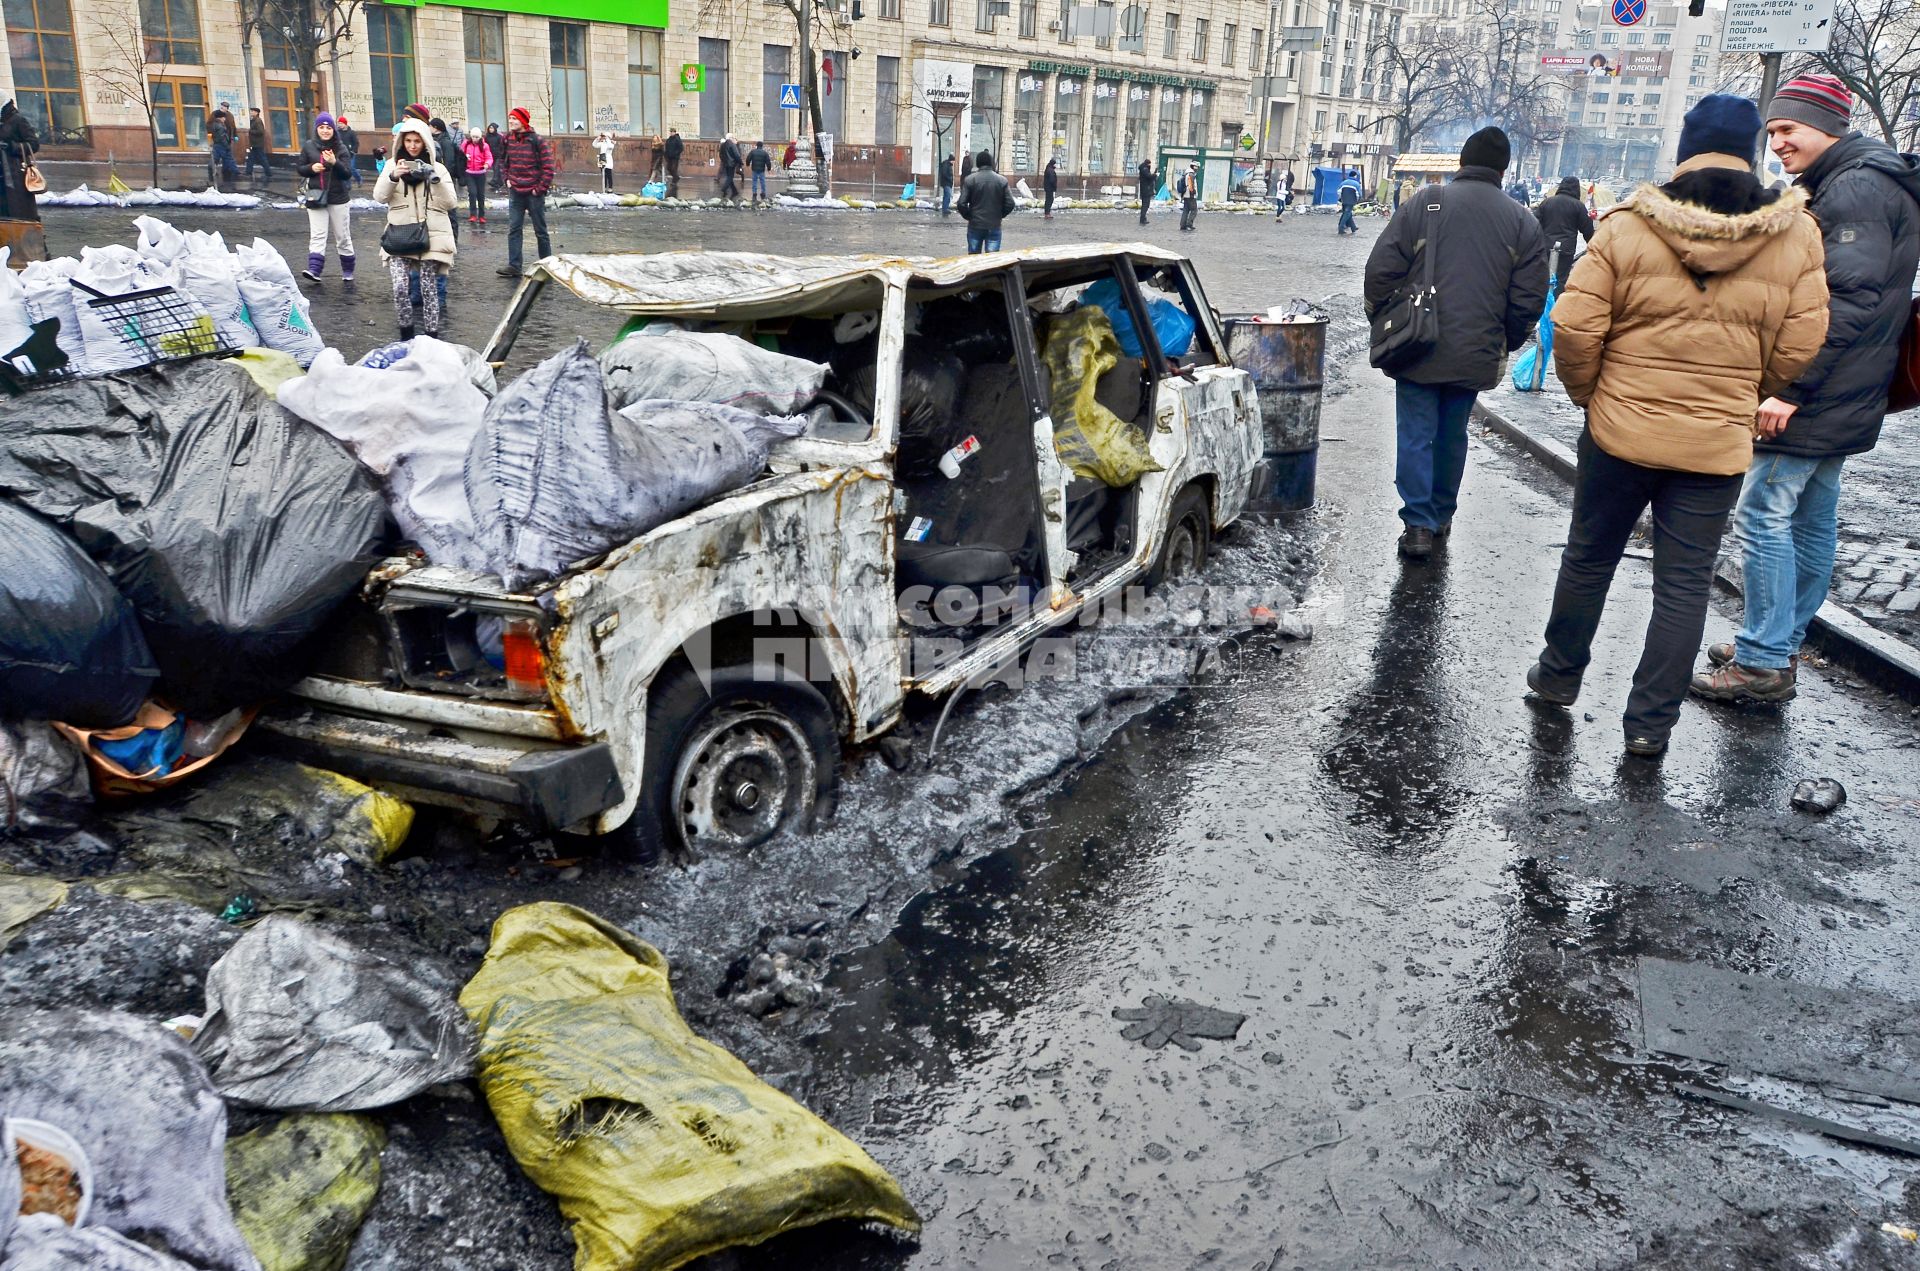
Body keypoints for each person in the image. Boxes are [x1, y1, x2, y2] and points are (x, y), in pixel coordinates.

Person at [1528, 94, 1830, 758]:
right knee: (1684, 582)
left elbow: (1576, 326)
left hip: (1617, 431)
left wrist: (1591, 395)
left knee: (1588, 557)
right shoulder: (1795, 233)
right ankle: (1648, 724)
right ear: (1752, 149)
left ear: (1686, 146)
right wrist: (1750, 389)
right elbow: (1803, 341)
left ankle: (1557, 677)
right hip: (1716, 443)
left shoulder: (1630, 224)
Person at [1691, 73, 1920, 705]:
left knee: (1765, 515)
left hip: (1819, 391)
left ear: (1828, 126)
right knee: (1812, 519)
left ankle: (1763, 659)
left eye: (1789, 129)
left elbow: (1846, 299)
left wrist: (1789, 387)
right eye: (1772, 132)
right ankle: (1779, 640)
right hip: (1849, 389)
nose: (1779, 144)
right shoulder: (1859, 182)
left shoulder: (1856, 189)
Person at [1363, 126, 1548, 560]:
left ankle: (1418, 524)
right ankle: (1442, 513)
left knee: (1416, 433)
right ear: (1503, 170)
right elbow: (1528, 299)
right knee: (1452, 433)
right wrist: (1505, 338)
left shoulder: (1424, 203)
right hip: (1477, 349)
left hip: (1416, 344)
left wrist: (1385, 318)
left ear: (1461, 162)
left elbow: (1379, 272)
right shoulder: (1523, 221)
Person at [374, 119, 457, 341]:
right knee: (400, 287)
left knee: (429, 290)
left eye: (417, 141)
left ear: (425, 143)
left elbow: (451, 203)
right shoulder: (393, 165)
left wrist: (434, 178)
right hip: (399, 235)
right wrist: (393, 177)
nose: (412, 146)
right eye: (408, 141)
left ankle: (431, 339)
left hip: (429, 235)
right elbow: (379, 197)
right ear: (401, 141)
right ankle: (406, 337)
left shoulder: (438, 168)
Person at [296, 113, 354, 284]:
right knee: (317, 235)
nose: (325, 130)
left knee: (342, 236)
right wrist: (311, 168)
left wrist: (335, 162)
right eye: (321, 127)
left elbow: (347, 174)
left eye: (328, 127)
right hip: (316, 196)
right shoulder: (309, 146)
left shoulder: (341, 148)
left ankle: (348, 270)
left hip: (338, 197)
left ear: (333, 130)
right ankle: (314, 270)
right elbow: (300, 168)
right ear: (316, 129)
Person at [497, 107, 554, 278]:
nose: (512, 121)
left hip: (533, 193)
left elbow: (548, 167)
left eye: (515, 118)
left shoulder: (536, 141)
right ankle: (514, 266)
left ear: (523, 121)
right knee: (514, 228)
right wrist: (506, 178)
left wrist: (539, 189)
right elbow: (502, 160)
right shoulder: (507, 139)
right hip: (516, 191)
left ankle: (547, 266)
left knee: (540, 231)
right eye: (510, 118)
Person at [1534, 175, 1596, 292]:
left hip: (1545, 247)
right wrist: (1594, 246)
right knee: (1561, 279)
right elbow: (1587, 230)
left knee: (1542, 277)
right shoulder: (1579, 206)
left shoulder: (1547, 202)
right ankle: (1555, 304)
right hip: (1566, 250)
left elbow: (1534, 224)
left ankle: (1542, 304)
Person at [955, 150, 1015, 254]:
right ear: (991, 163)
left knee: (974, 258)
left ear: (978, 163)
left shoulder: (970, 180)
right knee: (992, 261)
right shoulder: (1002, 180)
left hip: (975, 225)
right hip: (994, 225)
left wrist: (970, 216)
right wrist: (999, 215)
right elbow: (1010, 203)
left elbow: (961, 203)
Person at [0, 102, 39, 223]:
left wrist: (11, 146)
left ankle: (24, 236)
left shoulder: (18, 120)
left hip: (16, 174)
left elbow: (34, 144)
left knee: (18, 210)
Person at [429, 118, 464, 244]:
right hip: (435, 179)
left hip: (445, 179)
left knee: (450, 209)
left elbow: (449, 162)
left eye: (430, 126)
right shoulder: (434, 139)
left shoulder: (445, 141)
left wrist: (444, 177)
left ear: (436, 127)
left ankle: (453, 239)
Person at [460, 127, 492, 224]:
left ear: (480, 137)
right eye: (473, 137)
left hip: (481, 173)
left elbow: (489, 157)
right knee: (472, 193)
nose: (475, 139)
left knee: (480, 195)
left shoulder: (484, 146)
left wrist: (487, 164)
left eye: (477, 137)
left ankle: (482, 215)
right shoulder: (466, 144)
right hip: (470, 173)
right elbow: (461, 153)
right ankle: (473, 215)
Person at [208, 101, 239, 189]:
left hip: (227, 138)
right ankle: (233, 171)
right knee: (224, 155)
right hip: (221, 139)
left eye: (225, 107)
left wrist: (235, 135)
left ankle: (226, 171)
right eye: (222, 107)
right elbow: (209, 124)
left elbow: (233, 126)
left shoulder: (230, 115)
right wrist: (210, 134)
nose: (223, 108)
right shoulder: (215, 114)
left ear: (227, 108)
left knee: (225, 156)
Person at [244, 107, 271, 185]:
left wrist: (250, 131)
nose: (251, 112)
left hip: (257, 143)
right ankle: (248, 172)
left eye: (252, 111)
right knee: (251, 158)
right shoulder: (254, 120)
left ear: (256, 113)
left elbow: (260, 131)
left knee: (261, 158)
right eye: (251, 111)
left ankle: (268, 172)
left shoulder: (258, 121)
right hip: (254, 143)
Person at [335, 114, 360, 184]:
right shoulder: (337, 133)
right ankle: (347, 185)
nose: (339, 125)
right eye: (338, 123)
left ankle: (359, 179)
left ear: (345, 124)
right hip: (341, 154)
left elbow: (356, 143)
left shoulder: (351, 133)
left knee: (352, 168)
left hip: (350, 154)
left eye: (340, 123)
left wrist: (353, 151)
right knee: (344, 169)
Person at [746, 139, 772, 207]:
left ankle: (754, 193)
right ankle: (763, 192)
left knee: (754, 181)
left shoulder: (753, 152)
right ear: (762, 146)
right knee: (762, 181)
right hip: (761, 170)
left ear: (756, 146)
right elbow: (768, 162)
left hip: (754, 169)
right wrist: (769, 168)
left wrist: (747, 164)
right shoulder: (764, 153)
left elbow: (748, 158)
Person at [1336, 168, 1362, 235]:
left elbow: (1338, 191)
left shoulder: (1343, 182)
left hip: (1343, 200)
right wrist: (1358, 199)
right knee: (1347, 213)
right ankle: (1341, 227)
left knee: (1347, 213)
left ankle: (1353, 227)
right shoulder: (1356, 184)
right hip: (1351, 200)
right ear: (1355, 176)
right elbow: (1358, 194)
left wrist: (1340, 199)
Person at [718, 134, 742, 205]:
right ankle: (724, 188)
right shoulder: (732, 145)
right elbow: (736, 155)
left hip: (726, 163)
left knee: (729, 176)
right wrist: (740, 162)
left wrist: (724, 161)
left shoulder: (723, 145)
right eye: (733, 137)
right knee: (730, 177)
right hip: (732, 163)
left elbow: (720, 154)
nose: (734, 139)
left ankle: (734, 191)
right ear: (730, 138)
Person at [1177, 163, 1200, 231]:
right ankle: (1189, 224)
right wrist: (1193, 194)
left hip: (1186, 195)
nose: (1197, 169)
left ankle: (1183, 225)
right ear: (1194, 167)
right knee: (1194, 210)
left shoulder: (1186, 173)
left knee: (1186, 210)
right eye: (1197, 167)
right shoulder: (1191, 174)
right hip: (1190, 195)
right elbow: (1191, 186)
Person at [485, 123, 507, 191]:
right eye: (490, 128)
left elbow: (502, 145)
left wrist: (501, 153)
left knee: (496, 168)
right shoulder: (487, 137)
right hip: (490, 155)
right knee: (495, 169)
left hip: (498, 155)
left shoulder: (498, 137)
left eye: (492, 128)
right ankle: (500, 182)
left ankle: (494, 180)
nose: (491, 129)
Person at [664, 127, 684, 198]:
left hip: (675, 157)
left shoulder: (677, 139)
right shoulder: (669, 140)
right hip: (669, 157)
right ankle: (676, 177)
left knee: (673, 169)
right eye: (671, 132)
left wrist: (676, 153)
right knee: (669, 168)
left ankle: (674, 180)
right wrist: (666, 154)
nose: (671, 133)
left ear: (675, 132)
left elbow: (681, 148)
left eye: (673, 132)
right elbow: (666, 147)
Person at [1137, 157, 1154, 225]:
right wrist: (1155, 175)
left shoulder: (1144, 169)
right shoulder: (1145, 170)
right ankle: (1142, 219)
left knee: (1145, 205)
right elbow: (1148, 177)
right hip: (1146, 189)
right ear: (1147, 164)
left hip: (1145, 189)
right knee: (1145, 205)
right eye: (1149, 164)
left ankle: (1143, 218)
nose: (1150, 166)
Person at [938, 152, 955, 217]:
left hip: (947, 183)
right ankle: (945, 209)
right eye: (953, 161)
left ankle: (945, 208)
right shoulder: (946, 164)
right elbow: (945, 174)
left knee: (947, 196)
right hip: (946, 183)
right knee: (947, 196)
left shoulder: (948, 164)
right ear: (951, 160)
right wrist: (950, 179)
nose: (954, 162)